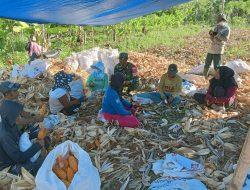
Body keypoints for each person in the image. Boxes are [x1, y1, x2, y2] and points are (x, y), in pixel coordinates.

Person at [0, 97, 45, 176]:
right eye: (17, 116)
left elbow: (20, 136)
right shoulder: (5, 135)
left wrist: (37, 134)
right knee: (44, 162)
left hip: (16, 150)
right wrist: (37, 146)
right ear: (10, 116)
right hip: (10, 164)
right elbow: (18, 158)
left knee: (46, 139)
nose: (20, 117)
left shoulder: (9, 122)